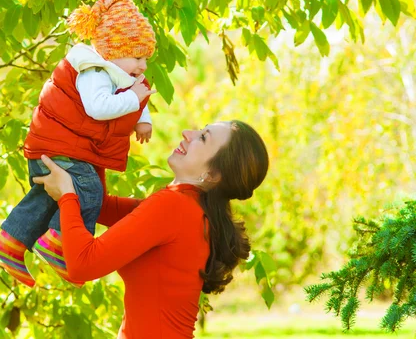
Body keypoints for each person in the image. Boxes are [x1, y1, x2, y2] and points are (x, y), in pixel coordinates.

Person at [33, 121, 269, 338]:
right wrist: (98, 144)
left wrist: (67, 195)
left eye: (203, 137)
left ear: (213, 175)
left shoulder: (175, 207)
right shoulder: (187, 206)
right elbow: (101, 206)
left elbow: (82, 264)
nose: (187, 133)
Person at [0, 0, 158, 287]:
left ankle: (9, 243)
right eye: (137, 56)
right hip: (60, 150)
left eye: (145, 59)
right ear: (112, 51)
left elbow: (137, 98)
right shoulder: (94, 72)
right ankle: (60, 245)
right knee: (90, 192)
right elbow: (99, 107)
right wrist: (133, 99)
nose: (143, 65)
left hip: (58, 150)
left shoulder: (118, 74)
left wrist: (143, 119)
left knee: (44, 202)